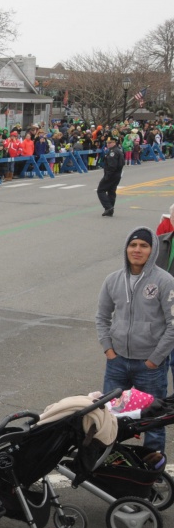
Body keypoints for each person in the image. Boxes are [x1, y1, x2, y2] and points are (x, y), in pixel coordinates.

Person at [96, 227, 174, 453]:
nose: (137, 250)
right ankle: (108, 462)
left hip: (150, 367)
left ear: (152, 250)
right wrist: (108, 350)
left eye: (143, 246)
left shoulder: (165, 281)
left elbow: (172, 325)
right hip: (117, 363)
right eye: (133, 245)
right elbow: (101, 316)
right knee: (109, 417)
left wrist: (155, 359)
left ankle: (153, 468)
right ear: (126, 248)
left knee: (154, 421)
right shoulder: (112, 280)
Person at [98, 136, 125, 217]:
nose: (108, 144)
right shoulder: (118, 150)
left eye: (110, 143)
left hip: (112, 174)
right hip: (117, 174)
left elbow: (112, 165)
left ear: (114, 143)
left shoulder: (113, 152)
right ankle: (110, 210)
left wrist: (108, 175)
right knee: (111, 192)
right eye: (107, 143)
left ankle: (108, 207)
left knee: (100, 190)